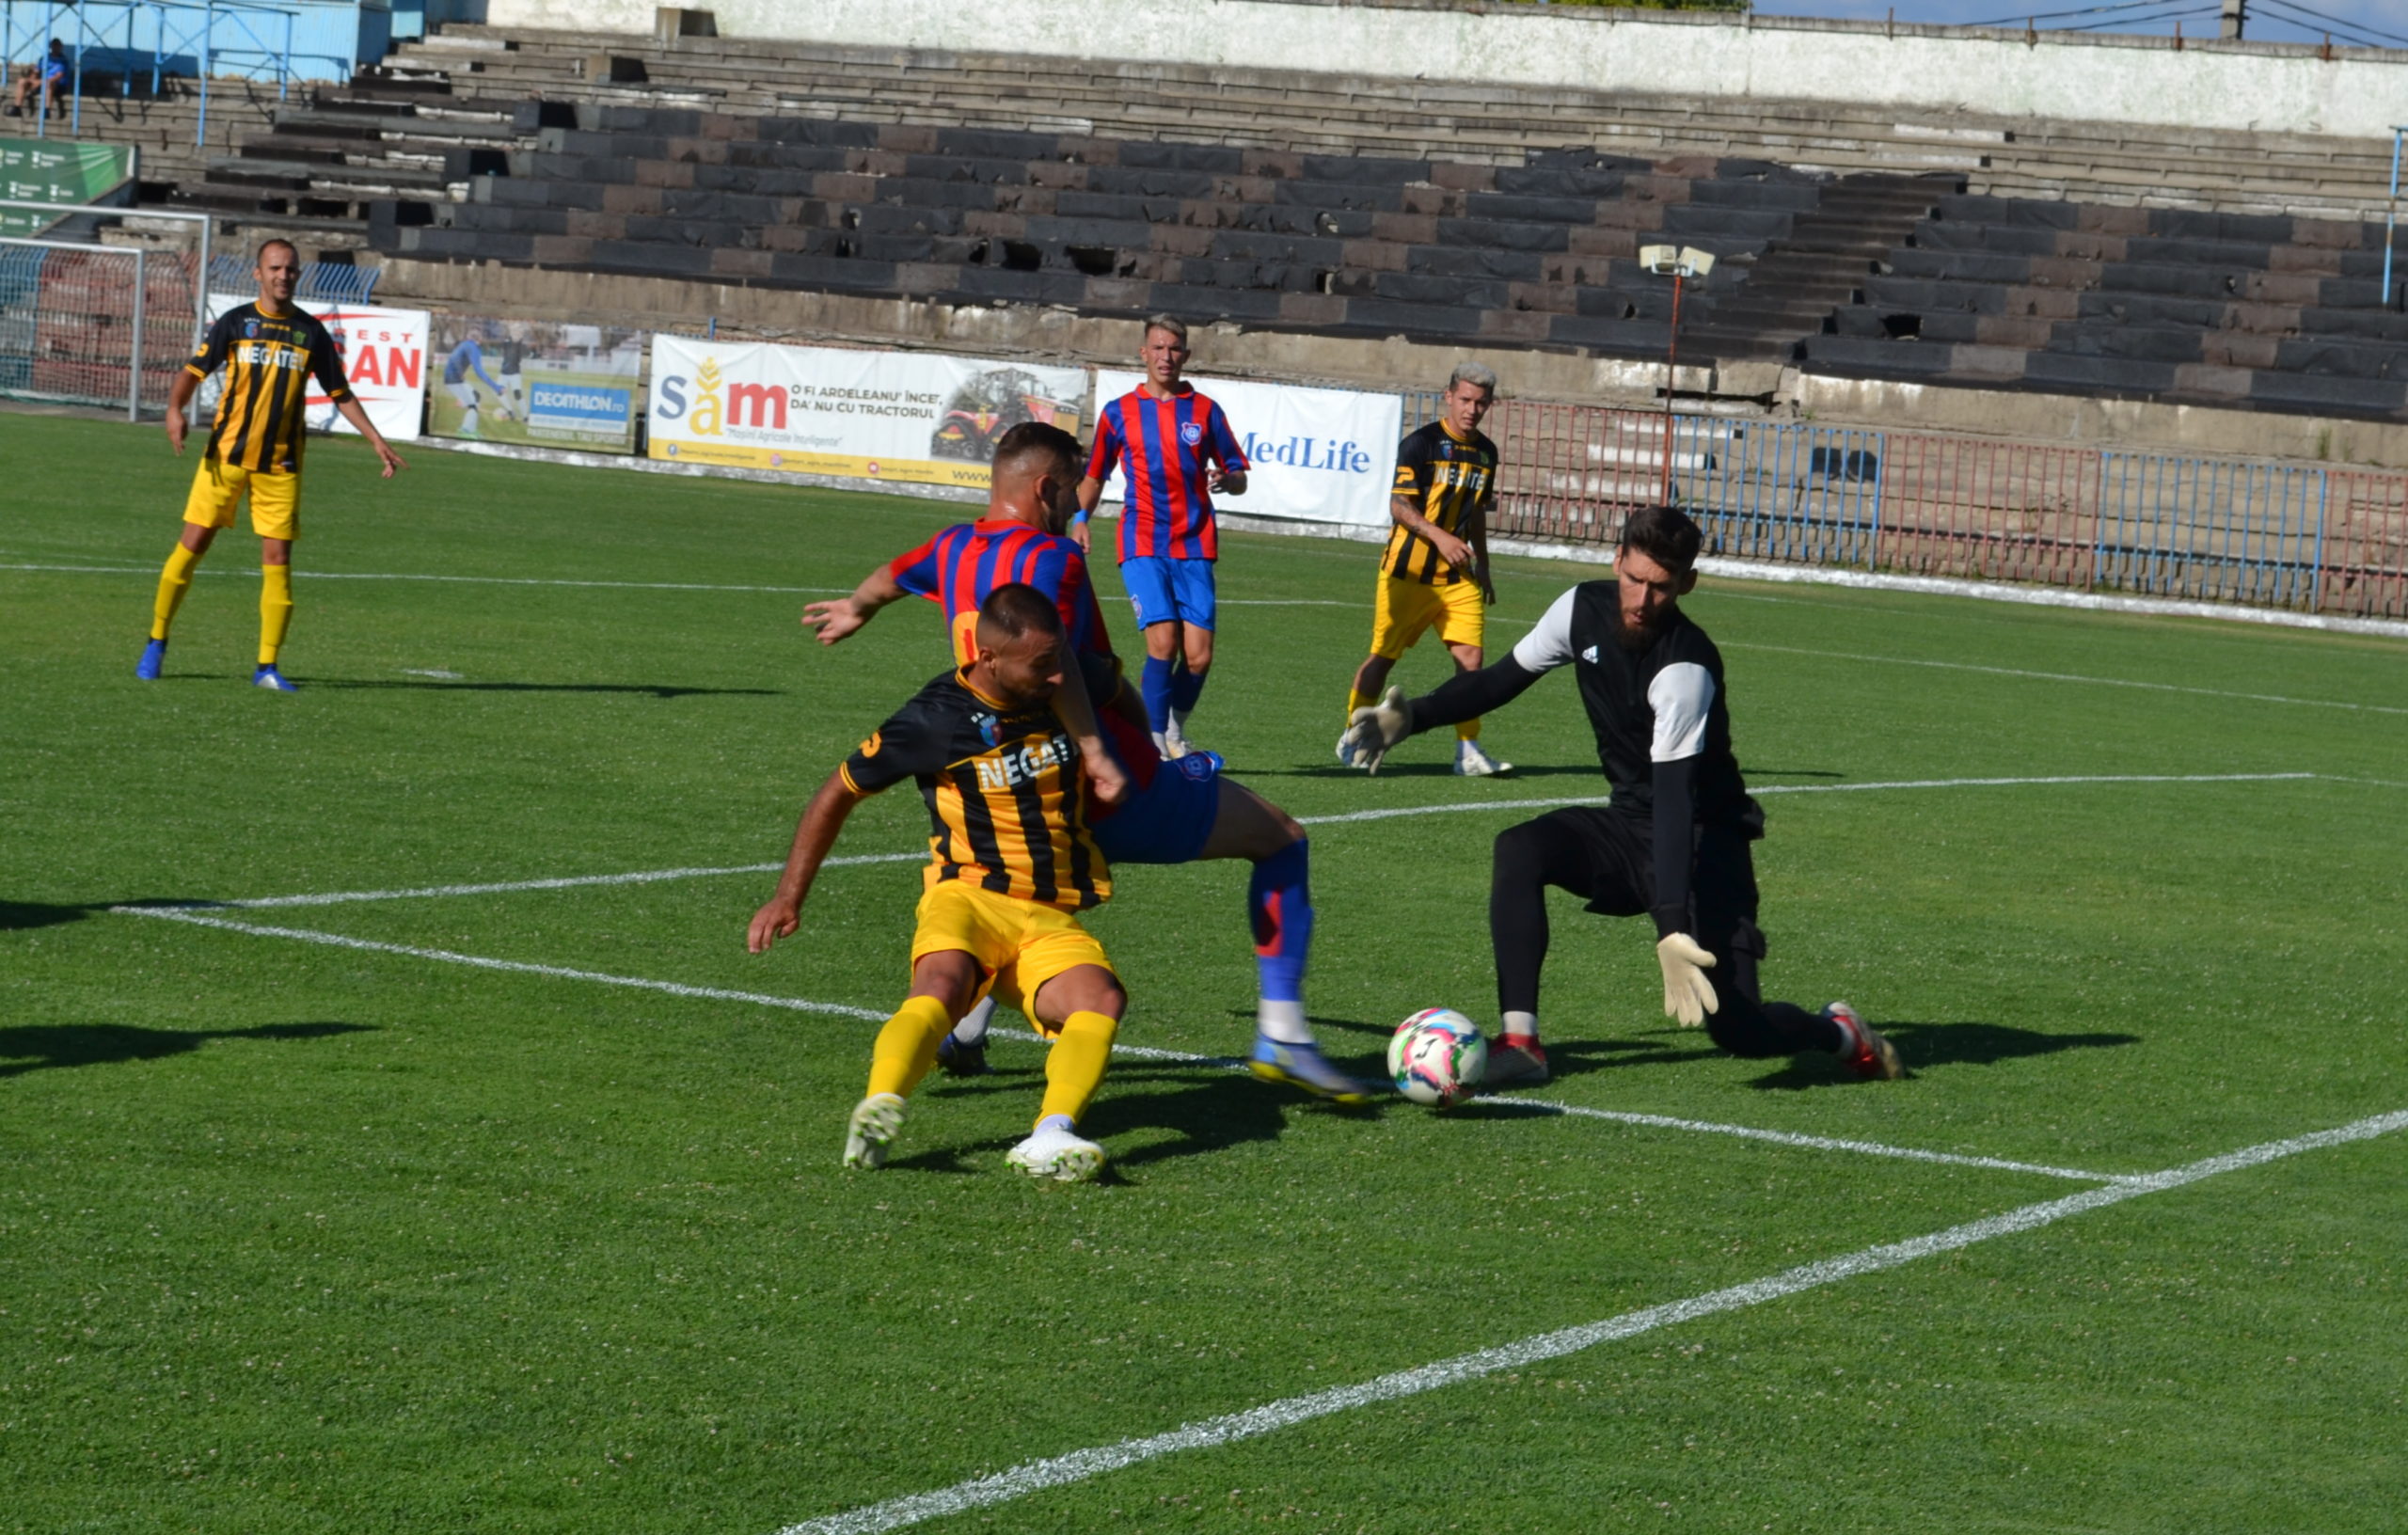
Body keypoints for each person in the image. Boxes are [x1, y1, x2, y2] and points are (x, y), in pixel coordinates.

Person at [806, 422, 1372, 1103]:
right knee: (1280, 837)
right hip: (1086, 781)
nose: (1082, 500)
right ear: (1046, 487)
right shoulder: (1054, 559)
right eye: (1075, 486)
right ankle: (1283, 1034)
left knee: (1017, 894)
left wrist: (856, 607)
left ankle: (964, 1026)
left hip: (1002, 793)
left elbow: (896, 575)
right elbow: (1080, 668)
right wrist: (1116, 745)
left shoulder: (953, 544)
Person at [1342, 503, 1903, 1087]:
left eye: (1661, 587)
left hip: (1706, 847)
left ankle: (1839, 1033)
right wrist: (1414, 717)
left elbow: (1676, 801)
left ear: (1686, 584)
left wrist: (1672, 926)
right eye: (1634, 579)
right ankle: (1522, 1045)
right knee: (1520, 848)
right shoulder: (1580, 609)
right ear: (1616, 562)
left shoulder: (1685, 669)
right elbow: (1501, 679)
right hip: (1629, 821)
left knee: (1740, 1030)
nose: (1642, 600)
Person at [749, 584, 1127, 1182]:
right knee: (943, 986)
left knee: (1100, 1000)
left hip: (1049, 915)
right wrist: (788, 896)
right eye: (1040, 665)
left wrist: (1140, 756)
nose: (1057, 675)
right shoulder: (935, 718)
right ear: (989, 657)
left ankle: (1050, 1135)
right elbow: (838, 791)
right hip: (969, 895)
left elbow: (1113, 688)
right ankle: (881, 1105)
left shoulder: (1059, 683)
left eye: (1059, 659)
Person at [138, 239, 406, 690]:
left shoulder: (310, 333)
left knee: (278, 561)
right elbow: (192, 371)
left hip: (280, 466)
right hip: (225, 459)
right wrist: (173, 409)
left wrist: (376, 440)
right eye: (276, 268)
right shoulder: (235, 322)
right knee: (191, 546)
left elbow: (340, 392)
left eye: (291, 269)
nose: (284, 276)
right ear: (258, 273)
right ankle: (156, 641)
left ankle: (266, 667)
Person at [1073, 314, 1247, 760]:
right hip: (1142, 540)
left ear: (1186, 355)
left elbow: (1239, 475)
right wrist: (1080, 518)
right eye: (1158, 347)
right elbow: (1094, 475)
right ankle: (1152, 745)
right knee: (1163, 642)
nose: (1165, 356)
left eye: (1174, 348)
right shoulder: (1118, 413)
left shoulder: (1205, 411)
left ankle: (1172, 728)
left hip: (1195, 542)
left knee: (1199, 657)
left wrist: (1228, 480)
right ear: (1143, 353)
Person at [1339, 360, 1512, 778]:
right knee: (1382, 659)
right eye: (1465, 399)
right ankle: (1355, 733)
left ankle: (1468, 751)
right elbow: (1399, 505)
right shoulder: (1421, 444)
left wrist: (1484, 564)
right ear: (1448, 396)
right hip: (1408, 573)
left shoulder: (1486, 452)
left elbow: (1475, 513)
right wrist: (1440, 537)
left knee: (1471, 663)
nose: (1472, 409)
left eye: (1481, 402)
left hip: (1457, 577)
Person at [441, 326, 505, 438]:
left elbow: (455, 359)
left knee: (476, 397)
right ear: (480, 339)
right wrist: (497, 388)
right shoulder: (473, 348)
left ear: (468, 337)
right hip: (454, 380)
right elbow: (479, 372)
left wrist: (460, 373)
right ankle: (465, 431)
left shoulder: (465, 344)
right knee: (473, 405)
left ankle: (470, 429)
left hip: (453, 378)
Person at [7, 40, 67, 119]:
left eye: (57, 45)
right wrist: (31, 80)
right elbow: (36, 71)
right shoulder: (44, 58)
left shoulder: (63, 60)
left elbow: (58, 76)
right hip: (41, 82)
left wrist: (40, 82)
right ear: (50, 46)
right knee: (22, 81)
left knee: (49, 83)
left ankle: (47, 111)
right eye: (54, 45)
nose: (55, 47)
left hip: (56, 85)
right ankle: (17, 108)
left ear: (61, 47)